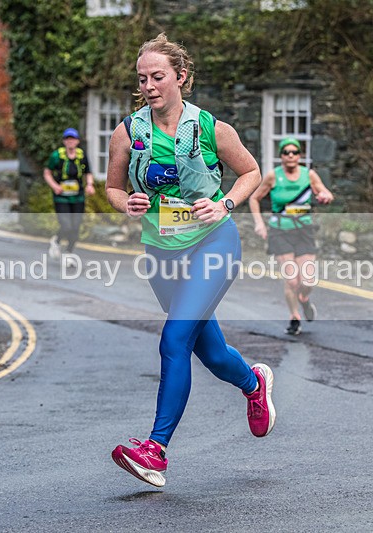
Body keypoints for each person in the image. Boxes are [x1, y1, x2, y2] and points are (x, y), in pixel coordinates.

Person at [105, 33, 275, 488]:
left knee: (174, 339)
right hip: (162, 253)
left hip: (213, 243)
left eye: (158, 76)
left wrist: (225, 206)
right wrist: (127, 204)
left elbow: (251, 172)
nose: (149, 86)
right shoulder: (127, 132)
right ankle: (254, 384)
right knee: (212, 353)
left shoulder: (211, 129)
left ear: (181, 76)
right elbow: (113, 188)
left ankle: (155, 450)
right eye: (143, 79)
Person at [248, 138, 334, 335]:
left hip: (304, 231)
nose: (290, 155)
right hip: (280, 231)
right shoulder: (273, 176)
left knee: (308, 280)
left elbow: (325, 193)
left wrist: (325, 197)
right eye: (286, 152)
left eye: (294, 152)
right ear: (281, 156)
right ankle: (294, 317)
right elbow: (254, 198)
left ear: (300, 155)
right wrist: (259, 223)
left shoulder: (309, 175)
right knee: (291, 280)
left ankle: (304, 298)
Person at [43, 128, 95, 260]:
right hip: (61, 198)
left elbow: (88, 172)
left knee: (76, 226)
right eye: (67, 139)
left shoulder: (81, 155)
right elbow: (47, 172)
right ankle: (56, 241)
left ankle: (69, 253)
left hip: (78, 197)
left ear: (77, 141)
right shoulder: (57, 156)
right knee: (66, 225)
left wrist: (89, 185)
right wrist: (55, 186)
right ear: (64, 141)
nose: (70, 141)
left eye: (73, 139)